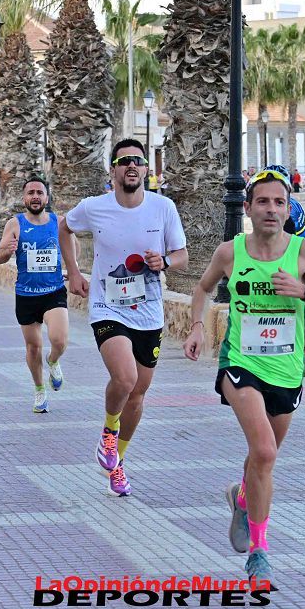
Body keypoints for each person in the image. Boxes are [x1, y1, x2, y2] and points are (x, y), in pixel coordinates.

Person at [182, 168, 305, 583]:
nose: (271, 209)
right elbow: (202, 288)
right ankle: (260, 551)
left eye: (279, 202)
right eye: (263, 202)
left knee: (262, 456)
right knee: (266, 452)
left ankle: (241, 498)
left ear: (288, 208)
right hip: (240, 363)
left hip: (287, 371)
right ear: (249, 208)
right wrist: (198, 326)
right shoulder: (230, 253)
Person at [59, 138, 188, 497]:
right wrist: (74, 272)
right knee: (126, 377)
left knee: (139, 393)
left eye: (138, 161)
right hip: (107, 307)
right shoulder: (94, 207)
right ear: (113, 170)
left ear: (147, 170)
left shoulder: (163, 208)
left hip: (148, 312)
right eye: (124, 160)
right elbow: (64, 227)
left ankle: (117, 462)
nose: (131, 166)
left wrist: (165, 262)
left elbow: (182, 255)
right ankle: (108, 432)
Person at [0, 176, 70, 413]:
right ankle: (39, 390)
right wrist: (7, 251)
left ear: (47, 197)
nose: (35, 197)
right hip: (26, 294)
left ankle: (54, 360)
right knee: (33, 347)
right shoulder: (14, 224)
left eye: (40, 192)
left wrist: (71, 268)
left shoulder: (58, 223)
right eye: (31, 193)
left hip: (53, 291)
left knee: (59, 340)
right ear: (24, 198)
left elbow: (72, 249)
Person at [266, 165, 305, 377]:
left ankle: (291, 357)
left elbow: (279, 240)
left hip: (290, 262)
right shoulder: (294, 205)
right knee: (304, 313)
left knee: (287, 310)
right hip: (303, 261)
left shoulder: (287, 209)